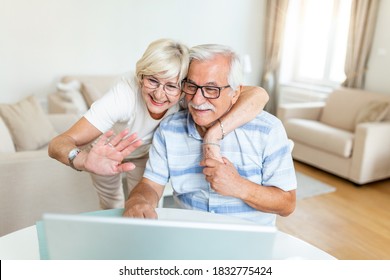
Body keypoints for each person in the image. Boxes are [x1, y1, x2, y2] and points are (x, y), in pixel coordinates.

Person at [48, 38, 269, 210]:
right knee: (111, 205)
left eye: (171, 86)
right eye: (152, 80)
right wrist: (84, 159)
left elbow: (258, 94)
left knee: (146, 205)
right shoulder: (124, 94)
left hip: (146, 154)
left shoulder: (190, 93)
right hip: (104, 153)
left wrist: (214, 134)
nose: (159, 94)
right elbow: (58, 143)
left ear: (184, 86)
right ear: (141, 76)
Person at [123, 44, 297, 226]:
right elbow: (151, 185)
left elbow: (287, 204)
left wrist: (239, 186)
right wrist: (138, 200)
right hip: (188, 237)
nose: (197, 100)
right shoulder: (169, 128)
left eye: (212, 89)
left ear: (235, 92)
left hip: (247, 243)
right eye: (191, 86)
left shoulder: (268, 130)